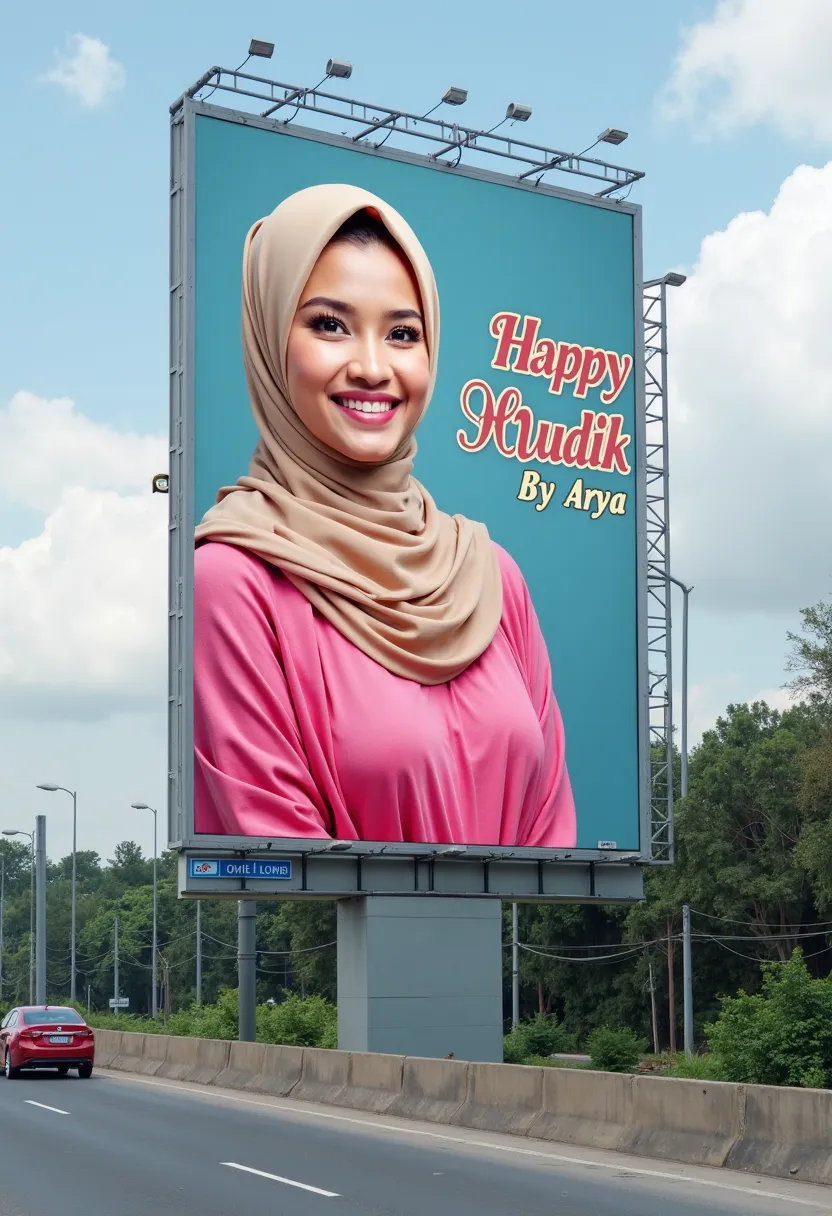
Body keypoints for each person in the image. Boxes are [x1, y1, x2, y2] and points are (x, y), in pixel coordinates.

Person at [193, 183, 576, 848]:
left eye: (402, 333)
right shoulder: (232, 580)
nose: (372, 367)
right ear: (266, 340)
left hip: (505, 951)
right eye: (329, 325)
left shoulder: (491, 573)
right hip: (334, 955)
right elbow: (285, 861)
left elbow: (551, 829)